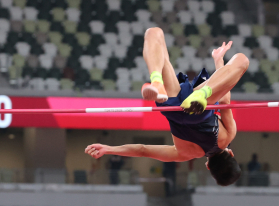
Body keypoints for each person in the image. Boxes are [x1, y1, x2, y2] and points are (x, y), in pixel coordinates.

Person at [85, 27, 249, 186]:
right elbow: (143, 150)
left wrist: (219, 61)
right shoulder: (185, 154)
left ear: (231, 153)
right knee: (155, 38)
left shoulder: (228, 137)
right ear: (208, 166)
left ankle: (162, 82)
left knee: (242, 60)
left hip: (198, 106)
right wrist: (108, 149)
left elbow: (225, 98)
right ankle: (159, 83)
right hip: (173, 109)